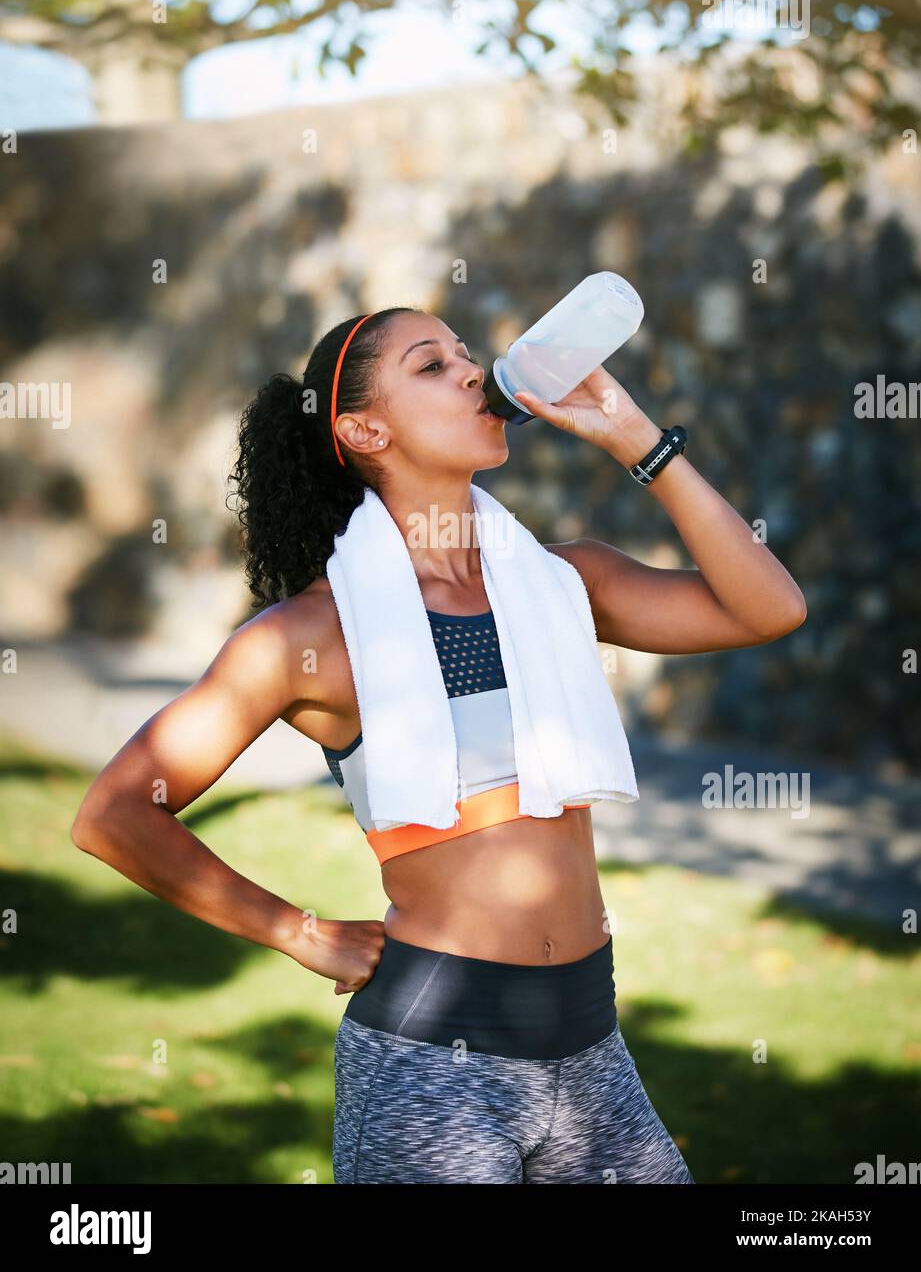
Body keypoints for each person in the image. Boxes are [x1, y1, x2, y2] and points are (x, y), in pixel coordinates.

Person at [71, 306, 807, 1184]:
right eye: (431, 366)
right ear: (363, 429)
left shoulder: (566, 582)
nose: (471, 372)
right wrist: (298, 933)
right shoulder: (313, 635)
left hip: (589, 1053)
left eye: (466, 355)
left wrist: (637, 442)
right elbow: (115, 813)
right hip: (433, 1070)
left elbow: (769, 609)